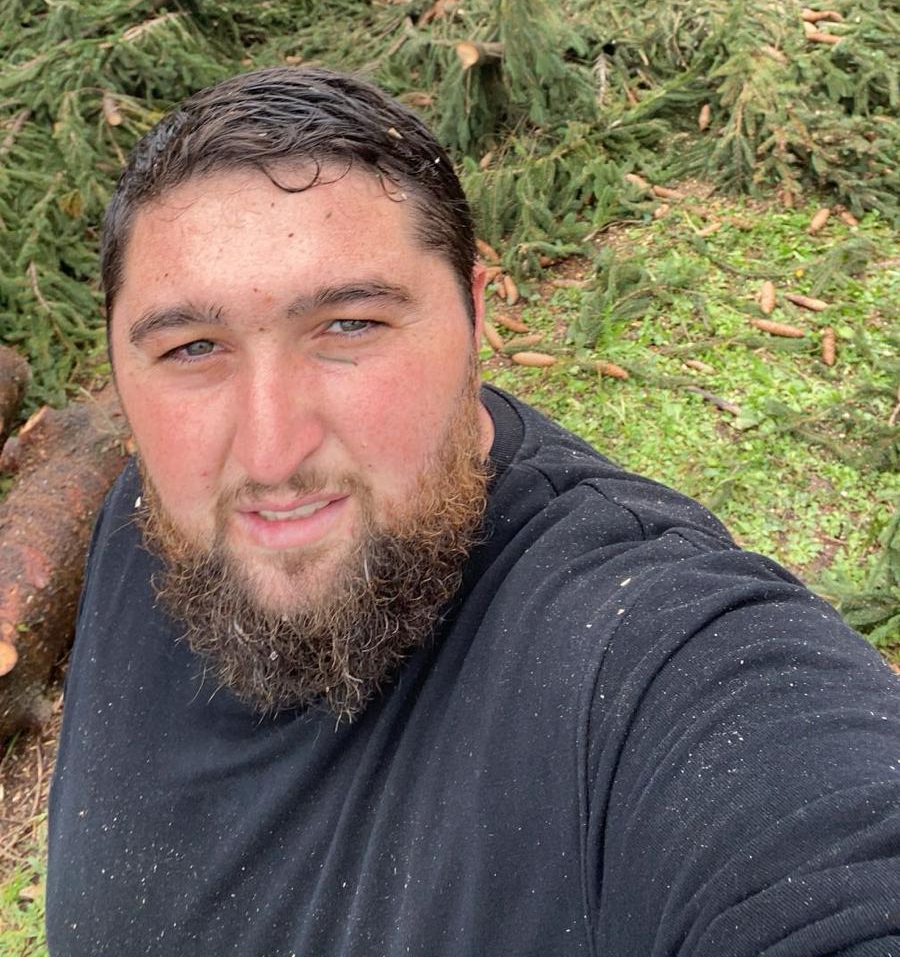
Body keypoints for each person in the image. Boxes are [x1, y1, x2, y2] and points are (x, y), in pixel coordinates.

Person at [46, 66, 900, 957]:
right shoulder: (145, 517)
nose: (269, 457)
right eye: (192, 348)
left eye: (350, 325)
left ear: (477, 318)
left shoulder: (651, 661)